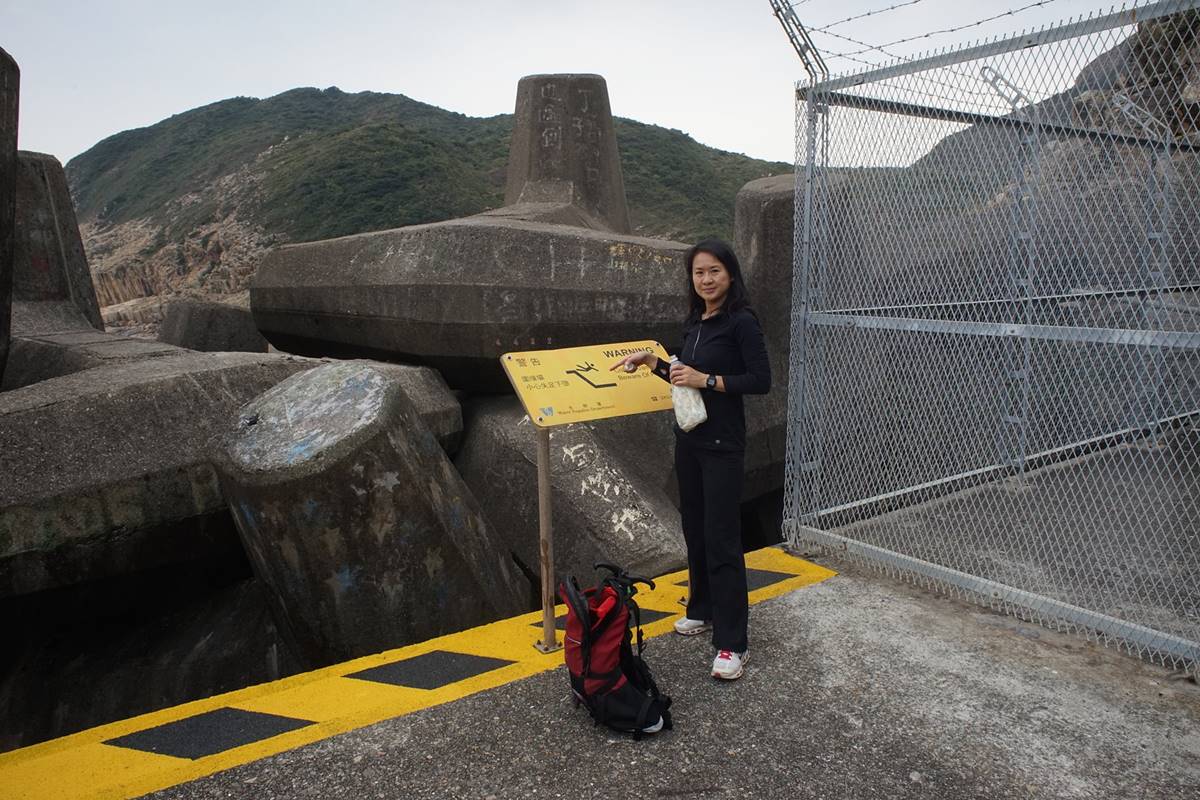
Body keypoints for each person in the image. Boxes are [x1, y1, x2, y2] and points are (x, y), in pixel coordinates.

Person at [609, 239, 770, 680]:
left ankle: (733, 643)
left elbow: (760, 380)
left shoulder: (741, 322)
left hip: (723, 446)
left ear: (730, 274)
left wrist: (708, 379)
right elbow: (685, 378)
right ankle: (702, 608)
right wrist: (654, 362)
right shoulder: (695, 322)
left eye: (714, 271)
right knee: (695, 530)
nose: (706, 279)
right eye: (699, 272)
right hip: (690, 440)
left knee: (722, 538)